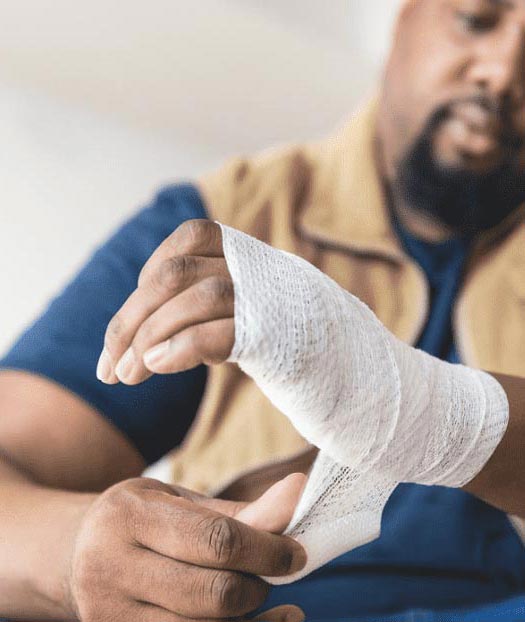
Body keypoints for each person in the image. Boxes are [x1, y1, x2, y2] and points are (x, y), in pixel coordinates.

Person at [1, 0, 525, 620]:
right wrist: (77, 554)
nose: (502, 72)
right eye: (476, 19)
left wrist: (412, 407)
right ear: (404, 17)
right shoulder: (220, 222)